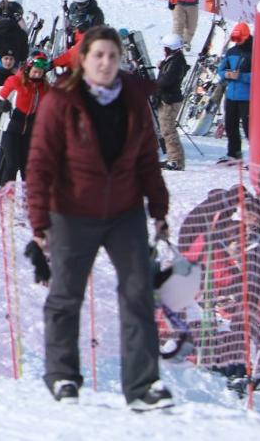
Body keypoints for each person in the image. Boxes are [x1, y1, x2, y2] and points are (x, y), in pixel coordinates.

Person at [26, 26, 173, 410]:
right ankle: (62, 376)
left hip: (124, 211)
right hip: (72, 211)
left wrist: (158, 210)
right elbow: (40, 163)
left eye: (112, 56)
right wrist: (39, 223)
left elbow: (146, 159)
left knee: (138, 291)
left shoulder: (133, 99)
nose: (106, 63)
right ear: (83, 60)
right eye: (98, 56)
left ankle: (143, 386)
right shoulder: (61, 100)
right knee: (66, 294)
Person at [0, 52, 50, 185]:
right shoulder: (15, 81)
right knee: (12, 164)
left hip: (29, 132)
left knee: (27, 166)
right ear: (29, 68)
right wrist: (2, 105)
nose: (37, 75)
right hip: (10, 129)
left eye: (40, 73)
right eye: (35, 72)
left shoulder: (44, 88)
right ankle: (6, 195)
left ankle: (28, 197)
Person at [220, 22, 253, 164]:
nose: (237, 42)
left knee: (249, 128)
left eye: (239, 39)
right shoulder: (231, 52)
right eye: (235, 39)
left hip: (247, 97)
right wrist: (227, 74)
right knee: (230, 126)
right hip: (231, 95)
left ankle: (257, 157)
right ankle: (234, 154)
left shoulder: (256, 51)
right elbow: (220, 70)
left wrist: (241, 76)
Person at [155, 34, 188, 171]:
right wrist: (163, 65)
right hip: (168, 98)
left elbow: (166, 81)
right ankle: (172, 158)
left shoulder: (175, 62)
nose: (164, 50)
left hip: (170, 100)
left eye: (166, 48)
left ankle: (175, 160)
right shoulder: (173, 60)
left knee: (168, 130)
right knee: (165, 129)